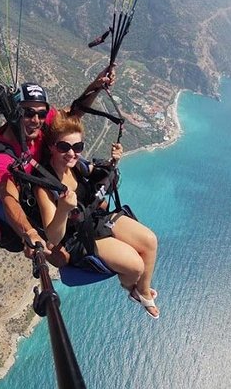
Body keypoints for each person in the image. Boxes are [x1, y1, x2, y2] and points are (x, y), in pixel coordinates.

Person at [33, 110, 160, 318]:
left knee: (150, 241)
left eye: (77, 147)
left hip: (97, 218)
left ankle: (143, 292)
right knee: (136, 267)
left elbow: (101, 176)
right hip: (77, 237)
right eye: (64, 147)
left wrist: (113, 163)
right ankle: (130, 288)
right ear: (51, 148)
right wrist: (64, 209)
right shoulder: (45, 187)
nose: (71, 153)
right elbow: (53, 238)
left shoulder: (79, 166)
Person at [0, 66, 115, 257]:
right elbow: (9, 198)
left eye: (41, 113)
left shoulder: (43, 121)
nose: (35, 120)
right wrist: (29, 233)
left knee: (102, 206)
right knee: (60, 257)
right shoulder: (0, 154)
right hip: (34, 207)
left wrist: (96, 85)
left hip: (53, 190)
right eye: (27, 113)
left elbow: (74, 113)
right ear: (15, 113)